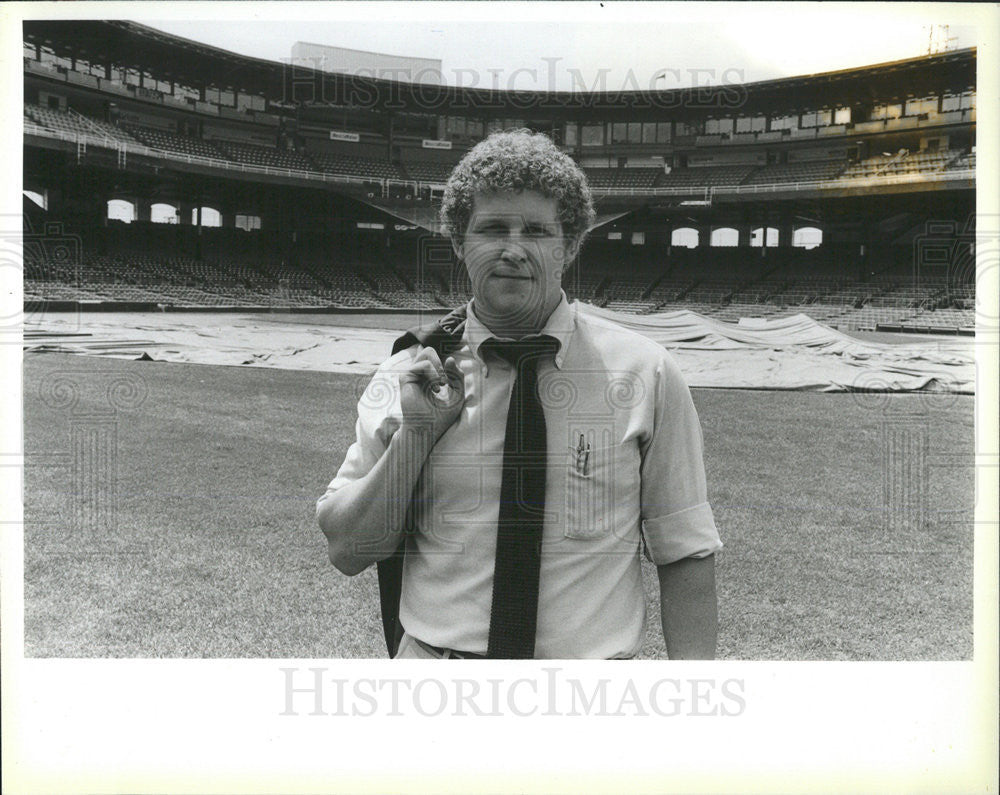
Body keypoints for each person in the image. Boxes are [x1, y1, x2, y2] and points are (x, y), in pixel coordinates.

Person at [317, 129, 721, 659]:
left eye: (537, 230)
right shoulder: (409, 373)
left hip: (587, 701)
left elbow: (685, 552)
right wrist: (415, 438)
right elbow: (349, 549)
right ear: (459, 242)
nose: (513, 249)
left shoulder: (646, 373)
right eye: (492, 229)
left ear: (569, 246)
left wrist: (694, 709)